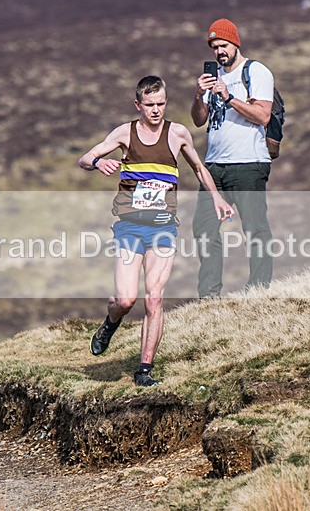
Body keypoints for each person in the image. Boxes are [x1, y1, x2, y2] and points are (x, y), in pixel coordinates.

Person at [78, 75, 234, 386]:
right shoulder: (126, 132)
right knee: (125, 299)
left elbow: (199, 168)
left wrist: (216, 197)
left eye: (161, 104)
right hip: (129, 226)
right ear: (138, 105)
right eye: (149, 105)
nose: (156, 110)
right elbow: (84, 158)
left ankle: (144, 370)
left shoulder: (177, 133)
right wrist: (98, 163)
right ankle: (111, 323)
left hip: (163, 227)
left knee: (154, 298)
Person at [191, 18, 275, 297]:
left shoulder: (256, 71)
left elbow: (263, 115)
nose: (219, 52)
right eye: (214, 47)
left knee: (254, 228)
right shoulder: (214, 77)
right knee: (203, 227)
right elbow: (198, 120)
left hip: (249, 163)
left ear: (235, 43)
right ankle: (209, 294)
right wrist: (198, 95)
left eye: (223, 45)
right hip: (215, 166)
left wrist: (228, 97)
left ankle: (259, 288)